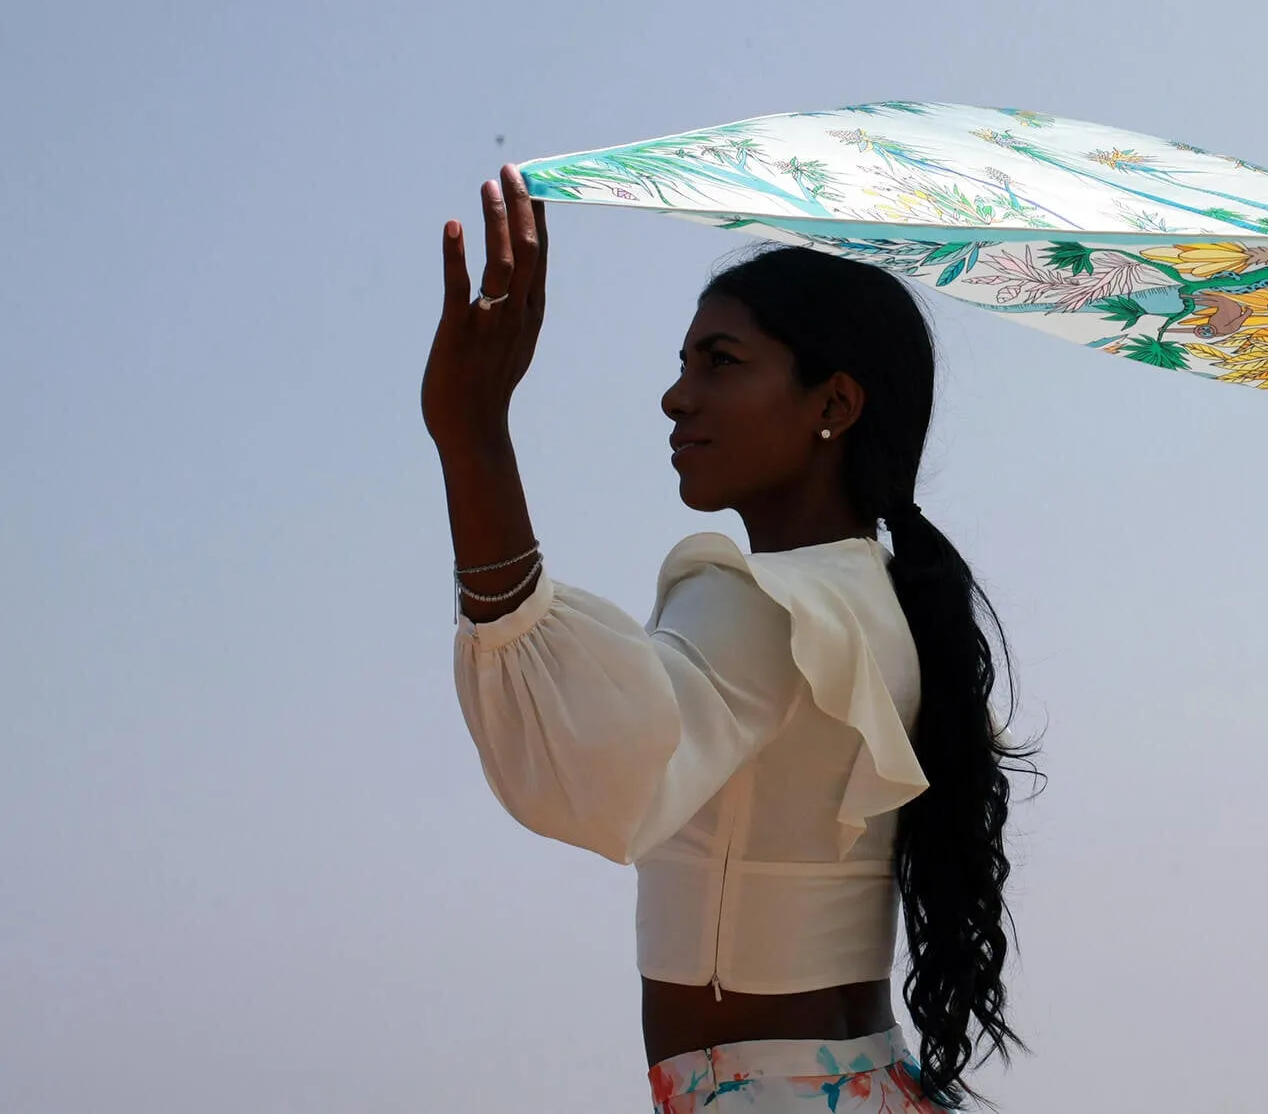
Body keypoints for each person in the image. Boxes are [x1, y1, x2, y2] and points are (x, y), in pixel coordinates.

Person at [420, 166, 1032, 1110]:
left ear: (833, 405)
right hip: (858, 1077)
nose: (676, 398)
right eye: (683, 364)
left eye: (720, 362)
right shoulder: (876, 599)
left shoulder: (764, 600)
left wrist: (473, 437)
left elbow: (601, 774)